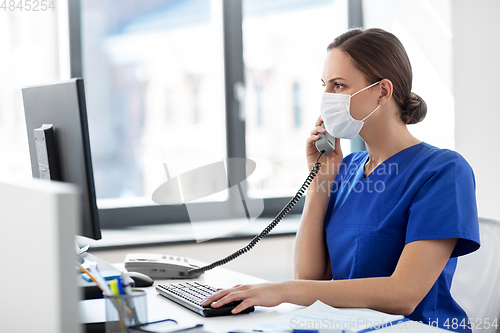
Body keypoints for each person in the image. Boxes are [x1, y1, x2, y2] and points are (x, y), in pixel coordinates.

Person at [202, 28, 480, 333]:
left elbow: (405, 295)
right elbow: (310, 278)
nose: (327, 98)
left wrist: (280, 291)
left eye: (339, 85)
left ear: (383, 91)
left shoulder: (443, 171)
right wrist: (319, 183)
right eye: (325, 86)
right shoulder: (346, 169)